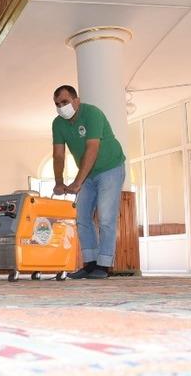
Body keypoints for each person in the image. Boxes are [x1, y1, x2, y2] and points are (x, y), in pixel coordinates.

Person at [51, 85, 125, 279]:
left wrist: (77, 182)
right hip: (88, 175)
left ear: (76, 100)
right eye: (57, 104)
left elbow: (92, 149)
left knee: (106, 217)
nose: (61, 107)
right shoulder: (58, 124)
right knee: (82, 218)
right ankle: (90, 263)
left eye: (65, 102)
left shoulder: (92, 113)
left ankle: (104, 265)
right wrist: (59, 182)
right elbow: (58, 155)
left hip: (110, 168)